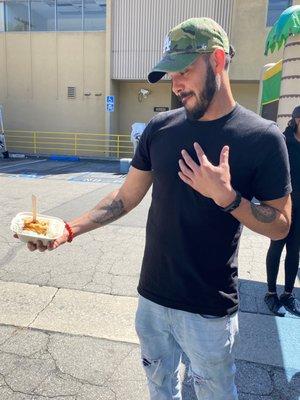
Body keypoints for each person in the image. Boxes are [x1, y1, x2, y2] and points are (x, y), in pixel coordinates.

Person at [22, 18, 292, 400]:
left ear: (217, 60)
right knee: (160, 388)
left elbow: (281, 226)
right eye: (171, 74)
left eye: (184, 70)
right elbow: (123, 198)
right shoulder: (160, 129)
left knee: (216, 393)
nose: (176, 84)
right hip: (152, 300)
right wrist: (67, 230)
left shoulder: (262, 139)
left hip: (209, 310)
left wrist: (228, 198)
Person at [264, 106, 300, 317]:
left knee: (294, 250)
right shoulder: (284, 141)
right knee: (276, 246)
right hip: (282, 205)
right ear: (296, 119)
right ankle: (271, 293)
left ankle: (288, 294)